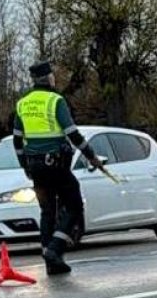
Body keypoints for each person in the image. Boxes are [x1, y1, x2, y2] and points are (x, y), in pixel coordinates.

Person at [13, 61, 103, 275]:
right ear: (49, 78)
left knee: (47, 212)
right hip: (56, 165)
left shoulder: (23, 104)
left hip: (35, 166)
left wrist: (24, 165)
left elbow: (17, 141)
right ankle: (55, 249)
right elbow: (72, 133)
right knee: (73, 206)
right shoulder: (56, 100)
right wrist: (91, 156)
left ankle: (51, 263)